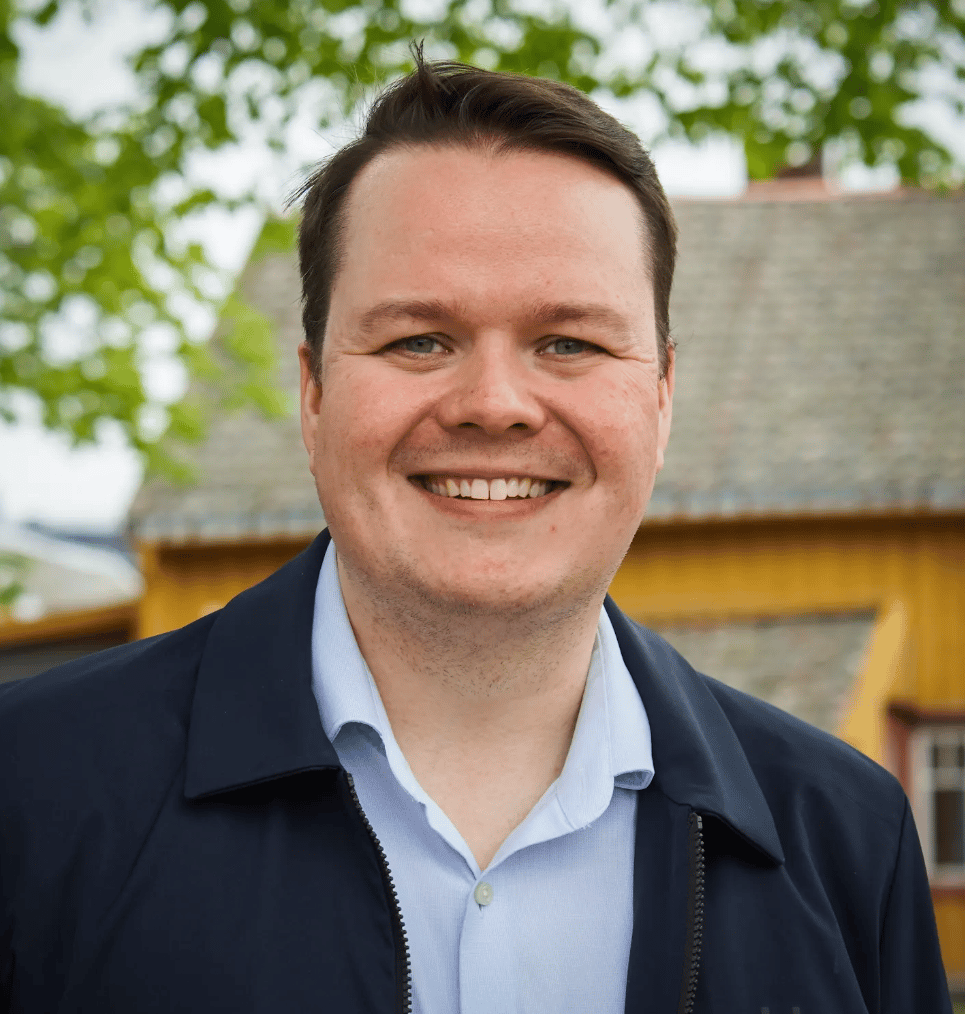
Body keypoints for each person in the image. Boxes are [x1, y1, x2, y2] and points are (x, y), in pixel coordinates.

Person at [0, 49, 952, 1014]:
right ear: (313, 392)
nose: (494, 404)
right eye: (419, 339)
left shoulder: (847, 839)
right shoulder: (28, 793)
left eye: (568, 342)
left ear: (661, 398)